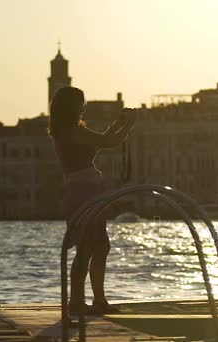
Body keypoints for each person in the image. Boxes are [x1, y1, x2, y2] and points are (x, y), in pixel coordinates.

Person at [48, 86, 136, 314]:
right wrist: (129, 124)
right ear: (73, 106)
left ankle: (90, 301)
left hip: (81, 192)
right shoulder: (74, 131)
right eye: (81, 103)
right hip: (84, 193)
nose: (84, 106)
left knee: (94, 247)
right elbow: (109, 142)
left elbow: (101, 141)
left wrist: (119, 123)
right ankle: (84, 302)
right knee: (91, 247)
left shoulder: (66, 132)